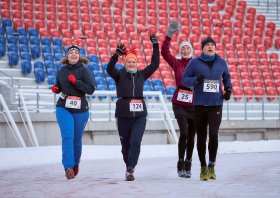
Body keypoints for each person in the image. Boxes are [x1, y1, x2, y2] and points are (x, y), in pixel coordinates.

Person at [106, 34, 159, 181]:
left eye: (133, 62)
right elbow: (109, 69)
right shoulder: (119, 75)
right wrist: (115, 55)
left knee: (136, 141)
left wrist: (155, 46)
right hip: (123, 113)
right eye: (128, 62)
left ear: (136, 63)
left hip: (139, 115)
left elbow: (154, 65)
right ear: (124, 63)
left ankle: (131, 168)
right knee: (125, 147)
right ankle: (128, 165)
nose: (131, 64)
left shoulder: (142, 75)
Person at [181, 37, 232, 181]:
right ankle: (203, 166)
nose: (210, 47)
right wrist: (195, 80)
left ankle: (211, 165)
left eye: (212, 45)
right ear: (202, 48)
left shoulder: (222, 62)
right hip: (199, 106)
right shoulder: (194, 62)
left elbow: (227, 77)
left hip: (216, 104)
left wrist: (228, 90)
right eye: (207, 45)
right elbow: (184, 79)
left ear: (215, 48)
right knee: (201, 138)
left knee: (214, 134)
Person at [52, 43, 95, 179]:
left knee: (76, 140)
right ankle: (68, 167)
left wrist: (76, 82)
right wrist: (56, 89)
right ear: (67, 56)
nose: (74, 54)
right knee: (67, 137)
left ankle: (75, 163)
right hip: (63, 107)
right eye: (71, 52)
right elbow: (59, 85)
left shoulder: (84, 71)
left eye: (76, 53)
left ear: (79, 56)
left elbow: (90, 89)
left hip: (80, 109)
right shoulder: (62, 71)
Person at [161, 20, 196, 178]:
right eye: (183, 48)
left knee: (192, 135)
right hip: (180, 102)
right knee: (184, 132)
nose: (186, 49)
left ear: (192, 50)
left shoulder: (198, 63)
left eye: (188, 47)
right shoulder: (176, 62)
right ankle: (180, 163)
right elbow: (164, 52)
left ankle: (188, 164)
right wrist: (168, 36)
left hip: (195, 103)